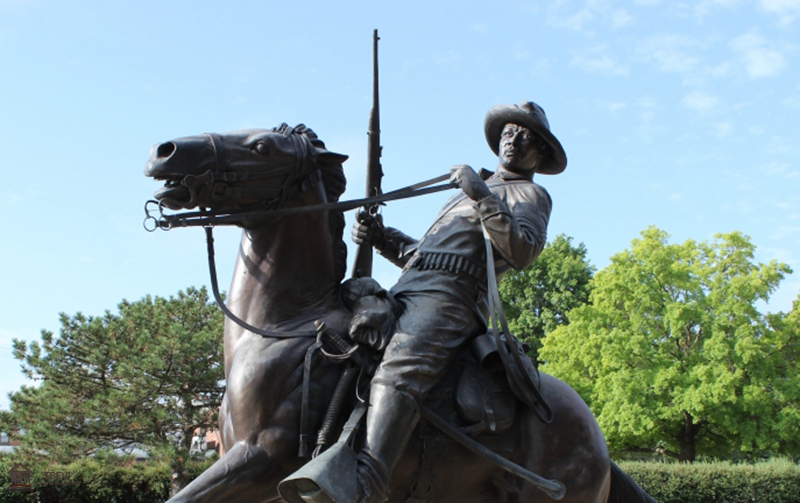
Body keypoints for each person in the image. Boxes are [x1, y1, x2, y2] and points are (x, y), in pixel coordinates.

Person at [286, 100, 566, 503]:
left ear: (541, 152)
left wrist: (483, 196)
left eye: (525, 136)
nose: (513, 139)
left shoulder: (530, 194)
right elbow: (426, 255)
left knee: (402, 365)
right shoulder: (464, 193)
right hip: (408, 289)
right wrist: (382, 236)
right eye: (508, 132)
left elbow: (521, 252)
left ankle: (368, 481)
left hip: (454, 300)